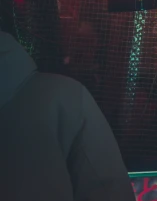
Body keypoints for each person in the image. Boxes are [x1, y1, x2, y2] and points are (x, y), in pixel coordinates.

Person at [0, 31, 135, 201]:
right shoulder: (67, 97)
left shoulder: (70, 96)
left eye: (90, 43)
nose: (86, 48)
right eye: (81, 42)